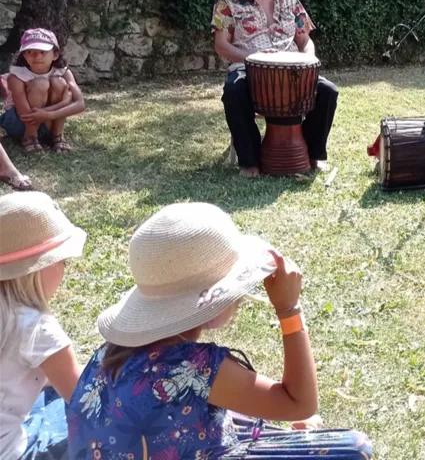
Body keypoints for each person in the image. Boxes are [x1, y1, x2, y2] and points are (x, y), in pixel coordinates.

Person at [66, 202, 373, 459]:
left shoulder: (107, 354)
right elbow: (300, 403)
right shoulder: (192, 368)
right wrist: (290, 310)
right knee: (354, 448)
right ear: (212, 303)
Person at [212, 0, 338, 178]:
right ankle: (249, 162)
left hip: (294, 73)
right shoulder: (228, 0)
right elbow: (221, 45)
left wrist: (308, 62)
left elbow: (305, 40)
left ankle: (312, 154)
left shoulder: (291, 0)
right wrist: (254, 59)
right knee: (233, 91)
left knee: (328, 91)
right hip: (248, 70)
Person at [0, 192, 87, 460]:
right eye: (62, 262)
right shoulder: (38, 329)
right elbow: (83, 399)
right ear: (38, 269)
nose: (64, 270)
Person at [0, 29, 85, 154]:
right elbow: (26, 114)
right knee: (41, 84)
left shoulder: (63, 72)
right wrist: (64, 103)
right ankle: (30, 137)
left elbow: (81, 104)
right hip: (20, 123)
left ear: (55, 54)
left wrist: (48, 115)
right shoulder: (16, 76)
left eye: (43, 52)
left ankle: (57, 136)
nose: (37, 56)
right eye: (30, 52)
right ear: (24, 55)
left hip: (47, 122)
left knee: (59, 82)